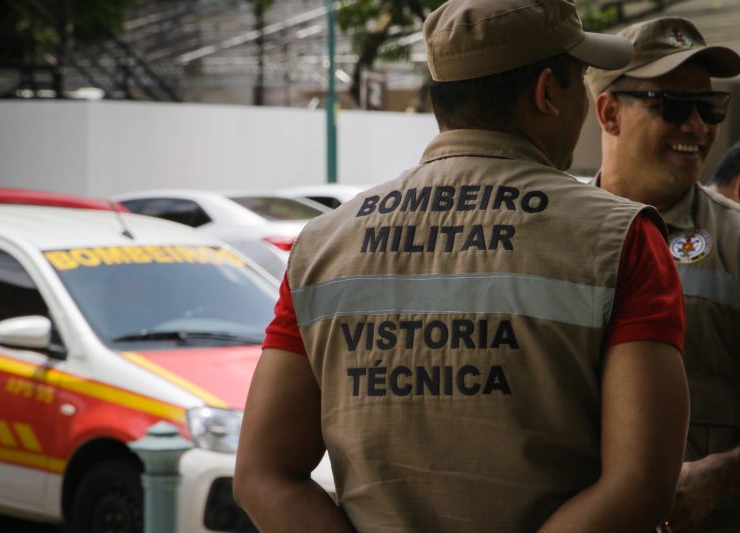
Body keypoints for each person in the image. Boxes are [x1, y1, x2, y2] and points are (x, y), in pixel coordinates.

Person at [234, 0, 690, 531]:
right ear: (546, 93)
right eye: (581, 80)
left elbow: (263, 476)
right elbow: (641, 486)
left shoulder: (321, 244)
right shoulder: (621, 238)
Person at [585, 16, 740, 533]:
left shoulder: (736, 242)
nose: (697, 127)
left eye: (710, 106)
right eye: (672, 106)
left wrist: (722, 473)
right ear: (609, 113)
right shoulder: (548, 235)